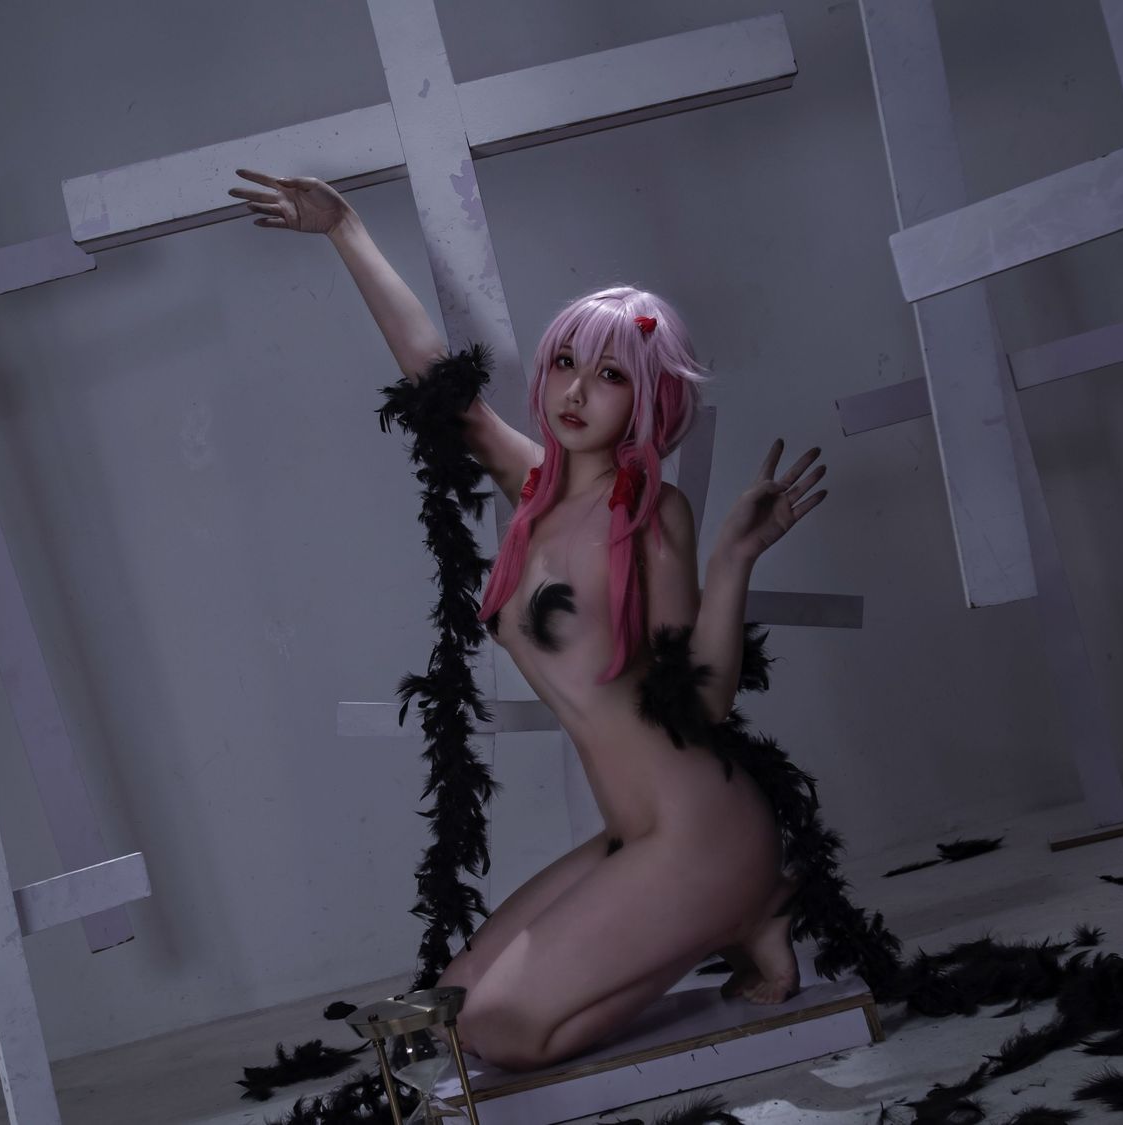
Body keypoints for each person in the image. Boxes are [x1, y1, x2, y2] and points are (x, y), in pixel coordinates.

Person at [230, 169, 831, 1073]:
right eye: (564, 364)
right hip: (634, 833)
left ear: (649, 399)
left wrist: (733, 559)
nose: (576, 391)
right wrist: (344, 227)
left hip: (701, 828)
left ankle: (745, 905)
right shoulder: (535, 491)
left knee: (508, 1031)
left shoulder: (652, 513)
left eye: (611, 375)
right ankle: (740, 916)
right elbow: (437, 380)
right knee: (455, 1005)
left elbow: (701, 702)